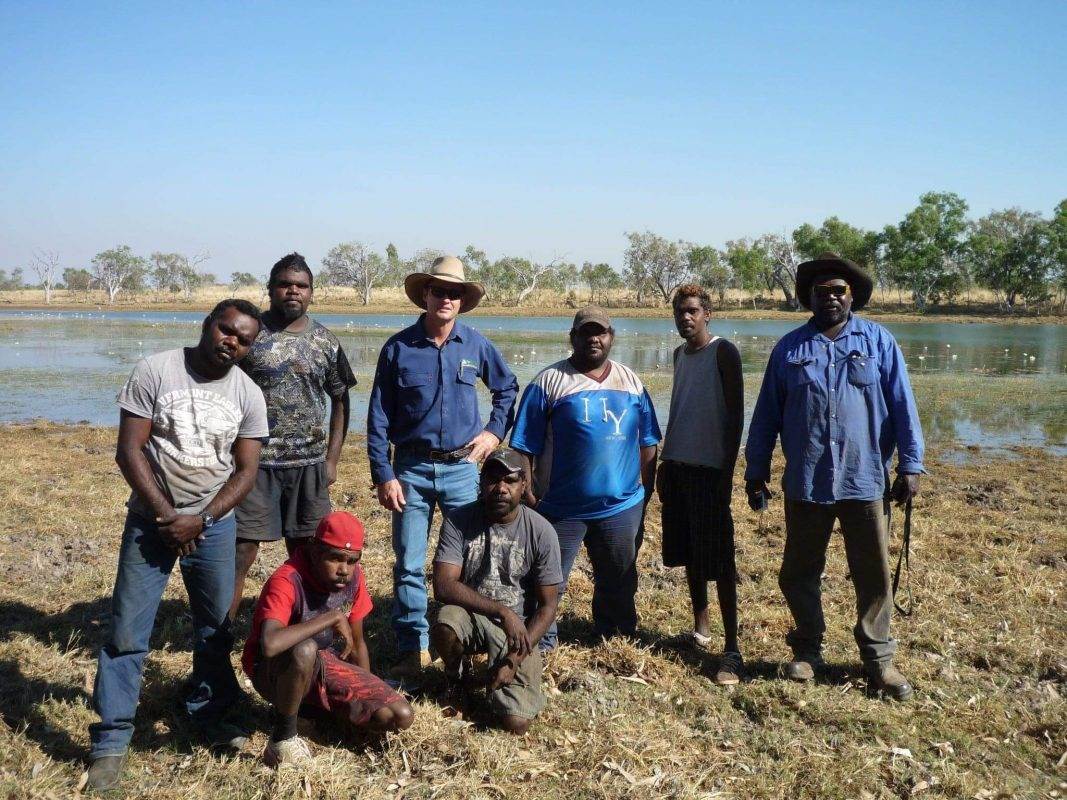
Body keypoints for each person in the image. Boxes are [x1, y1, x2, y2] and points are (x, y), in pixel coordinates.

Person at [87, 300, 269, 791]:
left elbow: (246, 471)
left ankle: (206, 713)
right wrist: (169, 517)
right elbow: (129, 450)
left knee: (215, 628)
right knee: (128, 631)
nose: (232, 342)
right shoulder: (155, 370)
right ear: (207, 325)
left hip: (214, 526)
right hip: (152, 523)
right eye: (226, 330)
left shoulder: (249, 394)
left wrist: (203, 519)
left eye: (244, 339)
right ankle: (111, 739)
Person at [744, 253, 924, 701]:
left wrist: (911, 464)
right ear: (809, 297)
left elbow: (903, 406)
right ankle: (808, 648)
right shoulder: (789, 349)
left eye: (838, 290)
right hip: (807, 481)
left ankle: (879, 660)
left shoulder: (879, 342)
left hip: (865, 481)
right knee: (799, 571)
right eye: (821, 291)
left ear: (852, 296)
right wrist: (756, 467)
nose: (830, 298)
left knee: (873, 574)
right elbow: (766, 414)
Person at [367, 255, 519, 678]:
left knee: (467, 561)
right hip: (411, 470)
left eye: (455, 292)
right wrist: (384, 473)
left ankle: (462, 637)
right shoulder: (398, 348)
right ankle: (412, 645)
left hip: (462, 470)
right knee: (410, 563)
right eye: (439, 290)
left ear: (462, 299)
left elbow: (507, 388)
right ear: (426, 295)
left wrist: (492, 434)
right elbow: (378, 416)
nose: (446, 298)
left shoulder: (475, 345)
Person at [511, 306, 661, 650]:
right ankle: (541, 642)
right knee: (548, 580)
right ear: (573, 338)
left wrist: (645, 490)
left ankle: (616, 636)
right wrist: (530, 495)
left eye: (601, 332)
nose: (594, 338)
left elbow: (648, 441)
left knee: (619, 578)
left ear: (611, 338)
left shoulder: (631, 382)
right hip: (561, 508)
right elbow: (523, 446)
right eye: (586, 333)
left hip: (621, 506)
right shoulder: (549, 382)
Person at [230, 253, 357, 622]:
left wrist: (331, 459)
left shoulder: (325, 341)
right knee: (241, 550)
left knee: (309, 552)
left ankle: (307, 628)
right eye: (285, 284)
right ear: (270, 289)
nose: (293, 291)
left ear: (311, 293)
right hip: (255, 465)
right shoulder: (250, 335)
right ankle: (218, 637)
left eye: (301, 285)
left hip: (309, 466)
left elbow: (341, 401)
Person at [242, 511, 414, 766]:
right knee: (304, 649)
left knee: (399, 715)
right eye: (335, 559)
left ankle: (314, 713)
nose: (344, 570)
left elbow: (357, 642)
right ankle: (283, 739)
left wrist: (366, 691)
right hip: (274, 672)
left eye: (352, 561)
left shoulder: (354, 579)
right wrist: (330, 618)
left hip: (325, 664)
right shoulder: (288, 579)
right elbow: (270, 644)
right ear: (313, 551)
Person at [431, 447, 562, 734]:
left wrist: (514, 660)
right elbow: (443, 585)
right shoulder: (459, 520)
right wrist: (501, 611)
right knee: (445, 623)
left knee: (516, 724)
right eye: (492, 479)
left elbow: (548, 606)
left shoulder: (541, 531)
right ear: (481, 482)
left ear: (524, 485)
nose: (500, 488)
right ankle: (456, 678)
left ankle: (502, 682)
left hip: (518, 629)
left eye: (510, 481)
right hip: (474, 613)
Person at [657, 284, 745, 684]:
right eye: (679, 311)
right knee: (690, 552)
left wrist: (727, 472)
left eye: (692, 311)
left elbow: (736, 417)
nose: (685, 318)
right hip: (676, 464)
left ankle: (732, 647)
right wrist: (663, 460)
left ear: (708, 313)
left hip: (710, 470)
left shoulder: (723, 352)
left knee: (721, 560)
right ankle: (701, 627)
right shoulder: (679, 355)